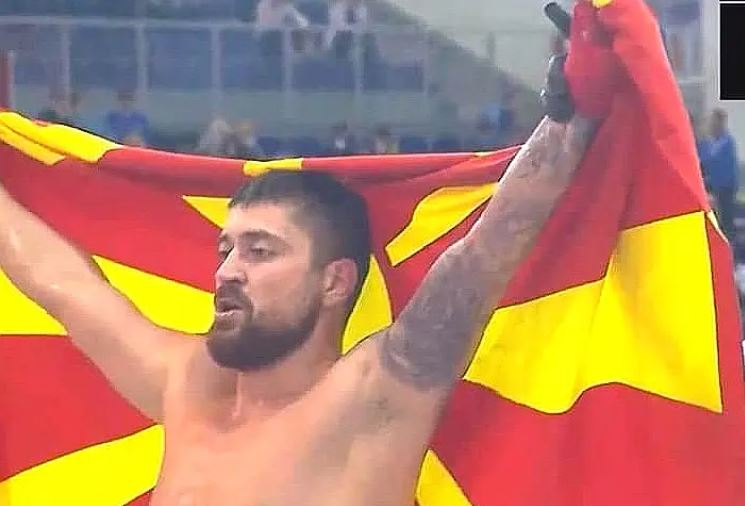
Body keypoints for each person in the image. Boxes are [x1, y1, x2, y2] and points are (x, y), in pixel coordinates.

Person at [0, 8, 598, 505]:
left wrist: (572, 119)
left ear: (334, 282)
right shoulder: (188, 388)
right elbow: (61, 282)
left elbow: (485, 255)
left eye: (260, 251)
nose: (228, 271)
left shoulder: (370, 401)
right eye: (227, 249)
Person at [699, 108, 739, 241]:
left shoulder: (727, 143)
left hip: (724, 189)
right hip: (708, 189)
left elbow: (726, 168)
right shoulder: (706, 144)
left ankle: (730, 246)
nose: (712, 125)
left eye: (715, 121)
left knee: (726, 222)